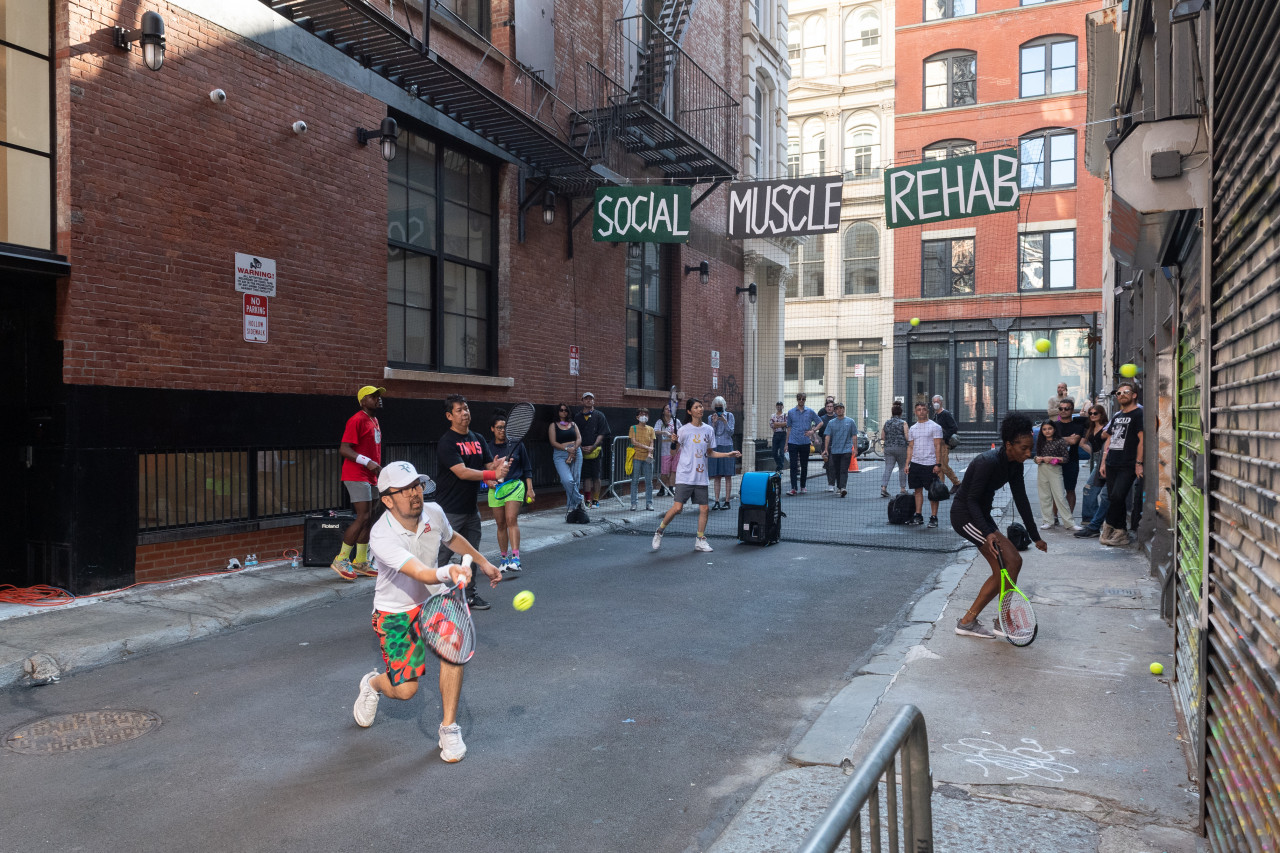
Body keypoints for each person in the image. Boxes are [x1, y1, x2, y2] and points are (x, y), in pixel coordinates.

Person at [353, 460, 503, 762]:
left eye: (417, 485)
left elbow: (452, 538)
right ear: (387, 500)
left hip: (434, 601)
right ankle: (373, 684)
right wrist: (449, 571)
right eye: (405, 489)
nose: (414, 493)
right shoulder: (382, 534)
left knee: (454, 651)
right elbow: (420, 572)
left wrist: (483, 562)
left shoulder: (433, 512)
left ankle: (449, 727)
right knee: (405, 690)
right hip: (395, 611)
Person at [950, 414, 1048, 639]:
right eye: (1023, 448)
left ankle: (1001, 620)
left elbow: (1021, 500)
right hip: (965, 516)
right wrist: (988, 533)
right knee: (1002, 568)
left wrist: (1035, 536)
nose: (1028, 453)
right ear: (1008, 445)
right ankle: (968, 621)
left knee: (1014, 562)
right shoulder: (987, 462)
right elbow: (971, 500)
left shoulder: (1014, 465)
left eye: (1030, 448)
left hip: (981, 517)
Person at [434, 394, 510, 611]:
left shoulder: (477, 438)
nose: (465, 413)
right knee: (442, 554)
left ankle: (469, 595)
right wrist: (490, 473)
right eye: (459, 410)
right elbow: (463, 472)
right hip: (449, 510)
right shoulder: (447, 442)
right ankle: (432, 596)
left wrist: (497, 468)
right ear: (449, 415)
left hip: (470, 509)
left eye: (466, 408)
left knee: (471, 553)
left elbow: (488, 465)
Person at [651, 398, 742, 553]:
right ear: (689, 411)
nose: (700, 409)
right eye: (696, 407)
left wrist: (728, 454)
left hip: (701, 476)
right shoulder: (683, 430)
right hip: (685, 475)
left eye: (701, 406)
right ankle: (659, 531)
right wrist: (674, 442)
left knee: (705, 509)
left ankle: (700, 540)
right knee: (678, 508)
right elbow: (673, 453)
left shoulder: (708, 430)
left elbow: (710, 452)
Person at [332, 385, 385, 581]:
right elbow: (344, 449)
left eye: (379, 396)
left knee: (369, 517)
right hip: (356, 474)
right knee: (362, 516)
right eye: (373, 396)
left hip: (370, 476)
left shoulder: (375, 420)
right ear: (363, 401)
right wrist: (368, 462)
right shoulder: (356, 420)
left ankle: (361, 561)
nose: (378, 399)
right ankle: (342, 558)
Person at [488, 411, 534, 572]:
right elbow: (482, 470)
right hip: (496, 489)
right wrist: (488, 481)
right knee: (500, 524)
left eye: (504, 427)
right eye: (499, 427)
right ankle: (504, 560)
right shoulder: (488, 447)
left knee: (510, 519)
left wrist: (530, 489)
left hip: (515, 485)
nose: (502, 430)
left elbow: (527, 468)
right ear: (492, 429)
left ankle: (516, 559)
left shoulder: (517, 445)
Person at [1100, 382, 1144, 547]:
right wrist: (1103, 463)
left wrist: (1139, 463)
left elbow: (1142, 440)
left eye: (1126, 392)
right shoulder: (1117, 416)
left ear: (1134, 395)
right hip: (1112, 462)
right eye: (1118, 393)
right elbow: (1109, 440)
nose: (1121, 395)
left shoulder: (1139, 414)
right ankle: (1121, 533)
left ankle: (1109, 526)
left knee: (1118, 496)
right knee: (1114, 497)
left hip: (1128, 463)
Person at [1033, 420, 1080, 530]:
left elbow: (1065, 458)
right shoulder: (1040, 441)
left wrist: (1054, 459)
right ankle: (1048, 521)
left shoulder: (1060, 441)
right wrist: (1037, 459)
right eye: (1044, 429)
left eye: (1049, 428)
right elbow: (1036, 456)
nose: (1047, 431)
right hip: (1042, 469)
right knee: (1044, 496)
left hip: (1055, 469)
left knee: (1060, 496)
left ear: (1054, 429)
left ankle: (1069, 523)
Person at [1074, 403, 1111, 539]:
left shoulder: (1107, 427)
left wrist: (1101, 455)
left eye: (1095, 413)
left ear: (1101, 414)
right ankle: (1091, 521)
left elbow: (1109, 443)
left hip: (1107, 460)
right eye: (1090, 413)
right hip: (1098, 459)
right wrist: (1094, 453)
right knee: (1091, 490)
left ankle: (1095, 522)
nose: (1093, 416)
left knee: (1097, 491)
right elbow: (1082, 443)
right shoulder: (1089, 428)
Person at [906, 402, 944, 527]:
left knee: (933, 492)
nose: (921, 411)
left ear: (927, 411)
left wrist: (938, 464)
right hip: (916, 463)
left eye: (923, 409)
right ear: (915, 412)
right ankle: (918, 515)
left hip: (930, 463)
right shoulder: (912, 428)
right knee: (917, 490)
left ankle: (934, 517)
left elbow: (938, 446)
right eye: (918, 410)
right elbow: (910, 447)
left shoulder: (935, 427)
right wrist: (907, 464)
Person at [548, 403, 586, 522]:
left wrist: (573, 449)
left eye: (565, 410)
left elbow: (579, 438)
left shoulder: (573, 424)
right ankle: (579, 499)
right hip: (560, 454)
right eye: (561, 410)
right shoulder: (553, 425)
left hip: (576, 452)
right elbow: (553, 442)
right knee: (567, 480)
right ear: (557, 412)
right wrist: (566, 449)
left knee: (575, 480)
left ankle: (571, 507)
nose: (563, 412)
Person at [1051, 396, 1086, 515]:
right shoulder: (1054, 425)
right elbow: (1049, 441)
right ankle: (1054, 516)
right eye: (1061, 408)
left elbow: (1074, 441)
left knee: (1070, 490)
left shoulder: (1078, 426)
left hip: (1072, 461)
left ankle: (1069, 517)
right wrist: (1068, 439)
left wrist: (1058, 439)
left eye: (1067, 409)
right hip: (1055, 462)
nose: (1063, 411)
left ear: (1072, 410)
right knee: (1055, 491)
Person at [576, 392, 610, 508]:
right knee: (586, 477)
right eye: (586, 399)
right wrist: (579, 447)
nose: (589, 400)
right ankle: (587, 500)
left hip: (596, 451)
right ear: (582, 401)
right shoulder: (577, 417)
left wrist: (593, 446)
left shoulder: (600, 416)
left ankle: (596, 499)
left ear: (594, 401)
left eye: (591, 399)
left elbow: (602, 433)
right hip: (581, 451)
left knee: (596, 476)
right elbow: (575, 434)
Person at [785, 393, 821, 495]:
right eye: (800, 399)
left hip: (805, 442)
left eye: (803, 399)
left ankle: (803, 486)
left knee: (804, 465)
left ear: (805, 400)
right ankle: (793, 488)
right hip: (793, 441)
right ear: (797, 400)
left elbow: (820, 422)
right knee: (793, 465)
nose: (801, 400)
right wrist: (786, 444)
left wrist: (812, 431)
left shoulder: (810, 411)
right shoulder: (791, 412)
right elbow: (789, 428)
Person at [822, 402, 857, 497]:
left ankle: (843, 488)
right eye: (837, 408)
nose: (839, 410)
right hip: (835, 450)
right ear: (835, 410)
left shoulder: (850, 421)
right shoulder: (831, 423)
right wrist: (826, 449)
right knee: (836, 469)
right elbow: (827, 436)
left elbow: (854, 435)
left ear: (844, 409)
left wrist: (855, 449)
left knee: (844, 469)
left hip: (846, 450)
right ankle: (839, 487)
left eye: (841, 408)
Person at [707, 396, 736, 509]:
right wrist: (714, 423)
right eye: (717, 407)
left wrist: (724, 421)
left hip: (727, 446)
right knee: (717, 475)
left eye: (721, 407)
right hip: (715, 447)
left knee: (727, 475)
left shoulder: (729, 416)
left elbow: (731, 432)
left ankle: (727, 501)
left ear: (724, 406)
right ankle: (717, 501)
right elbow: (710, 434)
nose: (719, 409)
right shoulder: (711, 417)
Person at [930, 395, 961, 494]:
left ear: (941, 402)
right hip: (936, 444)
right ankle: (941, 487)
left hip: (943, 444)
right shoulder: (935, 415)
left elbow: (954, 427)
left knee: (942, 465)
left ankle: (957, 483)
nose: (936, 403)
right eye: (934, 401)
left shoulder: (946, 414)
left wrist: (944, 437)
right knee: (939, 465)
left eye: (938, 401)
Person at [880, 401, 910, 498]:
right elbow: (907, 437)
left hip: (888, 448)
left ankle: (884, 488)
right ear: (901, 413)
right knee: (902, 468)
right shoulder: (903, 423)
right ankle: (902, 488)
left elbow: (883, 437)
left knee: (888, 468)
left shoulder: (887, 423)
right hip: (901, 448)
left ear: (892, 413)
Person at [628, 407, 656, 511]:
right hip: (636, 457)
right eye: (641, 414)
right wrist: (647, 448)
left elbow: (652, 442)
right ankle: (633, 503)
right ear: (637, 417)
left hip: (647, 458)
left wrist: (650, 452)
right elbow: (634, 442)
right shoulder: (633, 428)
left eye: (646, 414)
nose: (644, 416)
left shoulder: (651, 429)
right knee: (635, 481)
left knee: (649, 482)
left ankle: (649, 503)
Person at [655, 405, 681, 492]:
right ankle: (662, 487)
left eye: (670, 408)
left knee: (674, 470)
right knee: (664, 471)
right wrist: (664, 432)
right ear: (663, 411)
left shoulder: (676, 421)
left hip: (676, 448)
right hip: (665, 449)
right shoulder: (660, 422)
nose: (669, 410)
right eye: (666, 408)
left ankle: (671, 488)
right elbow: (655, 431)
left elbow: (682, 431)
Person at [815, 399, 838, 491]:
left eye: (831, 406)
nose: (829, 408)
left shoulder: (837, 417)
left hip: (837, 443)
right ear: (825, 408)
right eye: (828, 407)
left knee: (835, 464)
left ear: (833, 408)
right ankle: (831, 484)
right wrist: (816, 438)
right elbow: (815, 428)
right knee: (828, 464)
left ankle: (836, 483)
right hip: (825, 444)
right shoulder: (822, 419)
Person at [769, 402, 788, 472]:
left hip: (783, 434)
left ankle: (780, 467)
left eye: (780, 405)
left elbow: (787, 424)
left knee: (782, 452)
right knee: (774, 452)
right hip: (776, 434)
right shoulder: (773, 415)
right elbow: (772, 425)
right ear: (776, 406)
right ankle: (779, 464)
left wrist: (777, 424)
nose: (779, 407)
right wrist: (781, 424)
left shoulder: (785, 415)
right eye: (778, 405)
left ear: (782, 406)